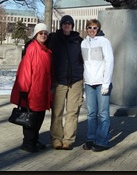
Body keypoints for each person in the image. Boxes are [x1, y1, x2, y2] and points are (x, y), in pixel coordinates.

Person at [10, 23, 53, 153]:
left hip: (42, 90)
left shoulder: (46, 50)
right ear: (35, 35)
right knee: (30, 117)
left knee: (39, 116)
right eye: (41, 33)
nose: (43, 35)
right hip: (32, 90)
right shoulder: (32, 48)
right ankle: (27, 142)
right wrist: (23, 88)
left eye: (45, 33)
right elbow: (25, 69)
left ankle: (34, 140)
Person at [46, 15, 84, 150]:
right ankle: (56, 138)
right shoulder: (54, 39)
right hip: (59, 81)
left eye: (69, 23)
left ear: (72, 25)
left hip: (76, 80)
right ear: (61, 25)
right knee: (57, 111)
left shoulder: (79, 40)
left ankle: (68, 139)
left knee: (72, 111)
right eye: (64, 23)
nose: (67, 25)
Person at [80, 19, 114, 152]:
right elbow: (84, 64)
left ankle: (102, 141)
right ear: (86, 28)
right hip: (89, 83)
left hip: (101, 83)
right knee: (91, 113)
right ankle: (91, 138)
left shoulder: (104, 42)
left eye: (95, 28)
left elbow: (109, 62)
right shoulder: (83, 43)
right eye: (89, 27)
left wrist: (106, 83)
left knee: (103, 114)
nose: (92, 30)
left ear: (98, 29)